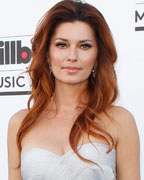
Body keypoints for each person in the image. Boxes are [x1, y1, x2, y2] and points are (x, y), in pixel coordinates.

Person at [7, 0, 140, 179]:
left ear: (98, 56)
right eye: (62, 45)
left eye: (84, 46)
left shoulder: (120, 121)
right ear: (47, 54)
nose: (72, 56)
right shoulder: (20, 123)